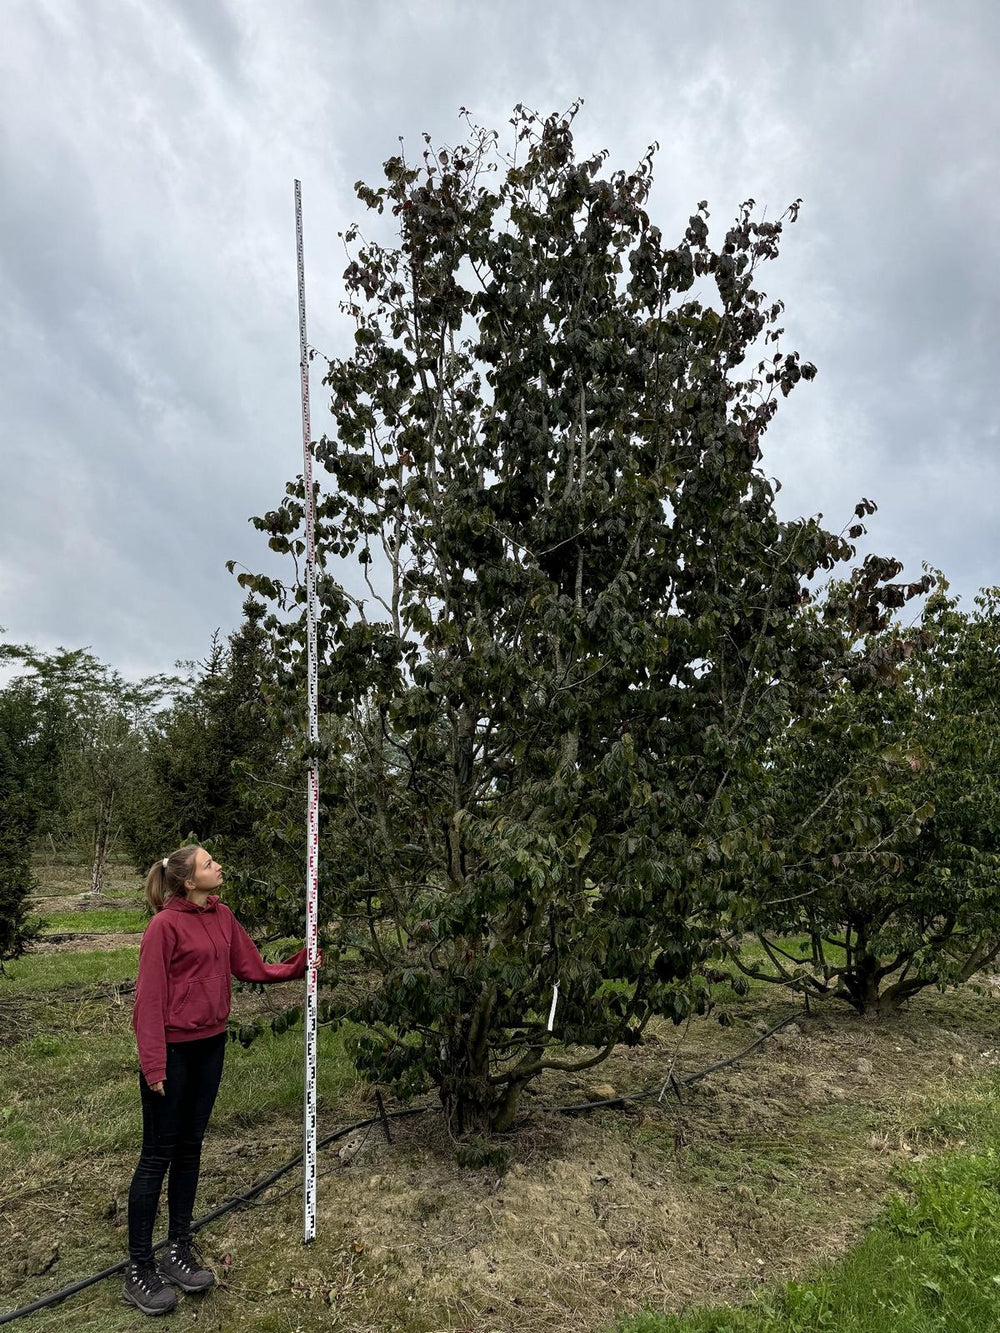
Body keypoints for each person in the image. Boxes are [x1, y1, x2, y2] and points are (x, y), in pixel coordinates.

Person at [123, 845, 313, 1316]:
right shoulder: (163, 927)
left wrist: (298, 965)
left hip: (211, 1046)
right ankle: (139, 1269)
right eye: (209, 864)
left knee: (190, 1148)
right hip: (170, 1051)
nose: (219, 866)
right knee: (156, 1157)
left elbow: (249, 966)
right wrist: (154, 1066)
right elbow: (148, 1001)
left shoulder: (222, 916)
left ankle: (178, 1249)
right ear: (188, 881)